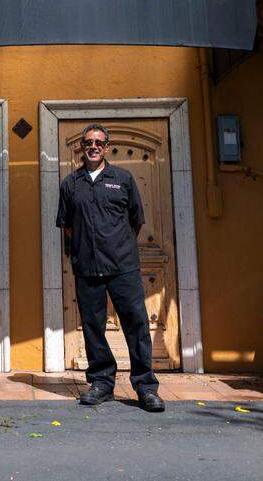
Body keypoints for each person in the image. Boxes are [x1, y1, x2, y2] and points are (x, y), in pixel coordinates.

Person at [56, 123, 165, 412]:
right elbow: (67, 226)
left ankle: (145, 387)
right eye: (87, 142)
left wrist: (115, 244)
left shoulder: (123, 178)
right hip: (87, 268)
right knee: (93, 327)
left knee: (136, 325)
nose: (93, 146)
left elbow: (136, 221)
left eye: (98, 142)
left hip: (122, 266)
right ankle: (102, 383)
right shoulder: (70, 183)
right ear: (81, 147)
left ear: (107, 147)